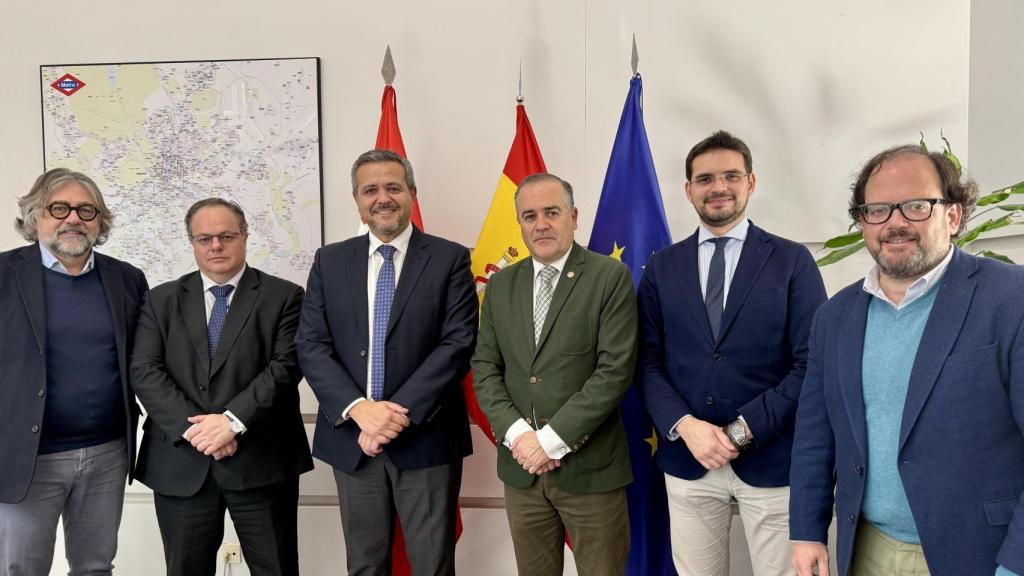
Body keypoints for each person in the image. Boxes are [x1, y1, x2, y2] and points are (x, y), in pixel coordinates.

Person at [790, 145, 1024, 576]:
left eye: (916, 206)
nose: (895, 223)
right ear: (863, 222)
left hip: (981, 553)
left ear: (952, 215)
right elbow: (814, 435)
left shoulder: (1012, 299)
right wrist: (806, 531)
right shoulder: (834, 317)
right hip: (868, 550)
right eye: (878, 210)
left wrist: (1014, 565)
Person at [636, 130, 827, 575]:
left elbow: (812, 362)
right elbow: (645, 360)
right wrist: (687, 428)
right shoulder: (662, 266)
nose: (718, 187)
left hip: (773, 458)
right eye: (705, 179)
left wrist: (742, 431)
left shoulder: (792, 260)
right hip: (689, 458)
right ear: (688, 190)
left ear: (751, 182)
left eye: (730, 176)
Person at [295, 149, 477, 576]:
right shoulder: (329, 261)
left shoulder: (449, 259)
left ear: (412, 193)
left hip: (426, 438)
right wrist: (360, 410)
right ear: (357, 200)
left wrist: (393, 416)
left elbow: (457, 343)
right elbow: (311, 344)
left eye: (393, 187)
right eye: (370, 190)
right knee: (364, 566)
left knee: (432, 566)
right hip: (352, 440)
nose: (383, 198)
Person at [131, 198, 312, 576]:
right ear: (192, 242)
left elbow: (285, 368)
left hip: (262, 461)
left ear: (244, 237)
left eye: (226, 236)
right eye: (205, 238)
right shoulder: (160, 299)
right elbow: (145, 371)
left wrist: (231, 422)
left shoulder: (285, 296)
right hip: (182, 462)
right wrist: (198, 431)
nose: (216, 246)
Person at [472, 172, 637, 576]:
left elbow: (614, 372)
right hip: (522, 471)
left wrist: (549, 442)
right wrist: (520, 438)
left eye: (552, 212)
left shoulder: (608, 277)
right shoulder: (501, 285)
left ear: (573, 217)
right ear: (520, 223)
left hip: (590, 470)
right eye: (529, 216)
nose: (540, 224)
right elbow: (485, 368)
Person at [0, 168, 148, 575]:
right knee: (21, 569)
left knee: (96, 567)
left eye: (86, 210)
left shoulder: (127, 279)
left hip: (107, 453)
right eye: (59, 208)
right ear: (35, 216)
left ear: (100, 222)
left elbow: (146, 360)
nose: (73, 219)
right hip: (28, 458)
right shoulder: (4, 274)